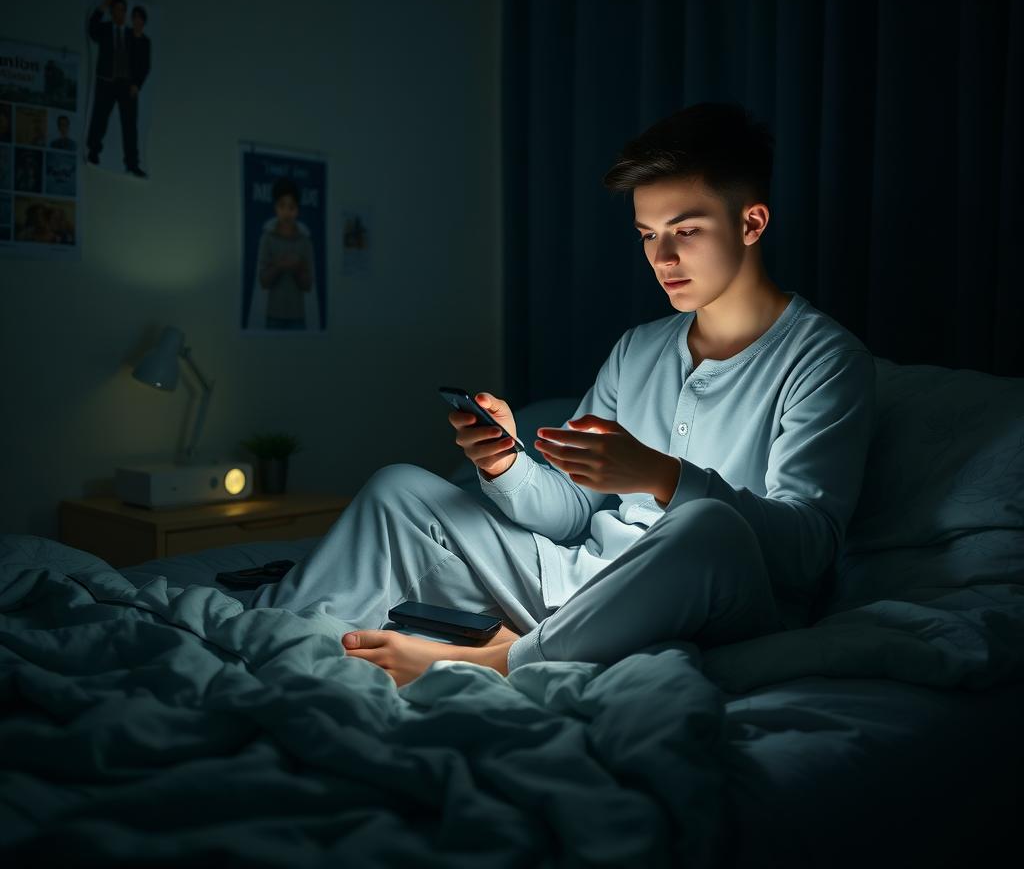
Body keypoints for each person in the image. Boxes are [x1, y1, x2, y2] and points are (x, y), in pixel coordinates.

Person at [249, 102, 876, 687]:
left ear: (751, 223)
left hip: (721, 596)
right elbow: (572, 511)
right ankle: (272, 637)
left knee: (706, 523)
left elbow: (808, 553)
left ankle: (501, 658)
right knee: (399, 487)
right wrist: (504, 462)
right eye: (646, 234)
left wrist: (664, 476)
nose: (661, 257)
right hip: (584, 582)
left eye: (684, 230)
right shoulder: (639, 349)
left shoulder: (823, 359)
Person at [85, 0, 149, 177]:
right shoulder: (105, 29)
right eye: (116, 9)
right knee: (100, 118)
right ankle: (93, 152)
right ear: (112, 11)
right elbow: (92, 31)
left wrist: (137, 83)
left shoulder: (131, 34)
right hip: (107, 81)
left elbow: (141, 61)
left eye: (122, 9)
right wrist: (101, 8)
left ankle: (132, 163)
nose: (119, 13)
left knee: (130, 125)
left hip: (126, 85)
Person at [255, 177, 315, 330]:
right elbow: (263, 282)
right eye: (282, 206)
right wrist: (279, 265)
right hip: (273, 317)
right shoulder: (267, 238)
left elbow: (307, 285)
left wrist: (297, 267)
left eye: (292, 207)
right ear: (275, 208)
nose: (287, 212)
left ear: (298, 209)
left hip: (298, 318)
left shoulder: (305, 241)